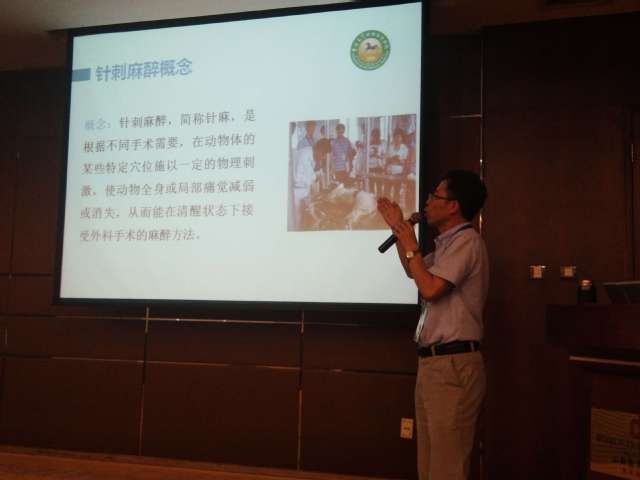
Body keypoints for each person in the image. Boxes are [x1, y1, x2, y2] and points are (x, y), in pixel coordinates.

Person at [377, 170, 489, 480]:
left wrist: (410, 242)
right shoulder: (446, 245)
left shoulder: (467, 242)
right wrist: (399, 231)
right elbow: (414, 271)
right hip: (435, 364)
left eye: (434, 196)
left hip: (453, 365)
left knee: (446, 467)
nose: (426, 202)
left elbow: (430, 289)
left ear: (453, 206)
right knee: (429, 466)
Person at [384, 128, 409, 203]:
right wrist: (392, 160)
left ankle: (395, 207)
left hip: (398, 173)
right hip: (389, 173)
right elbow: (387, 160)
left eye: (398, 137)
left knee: (396, 192)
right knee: (386, 191)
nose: (396, 138)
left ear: (402, 138)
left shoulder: (404, 148)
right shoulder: (390, 147)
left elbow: (405, 162)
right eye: (395, 136)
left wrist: (398, 160)